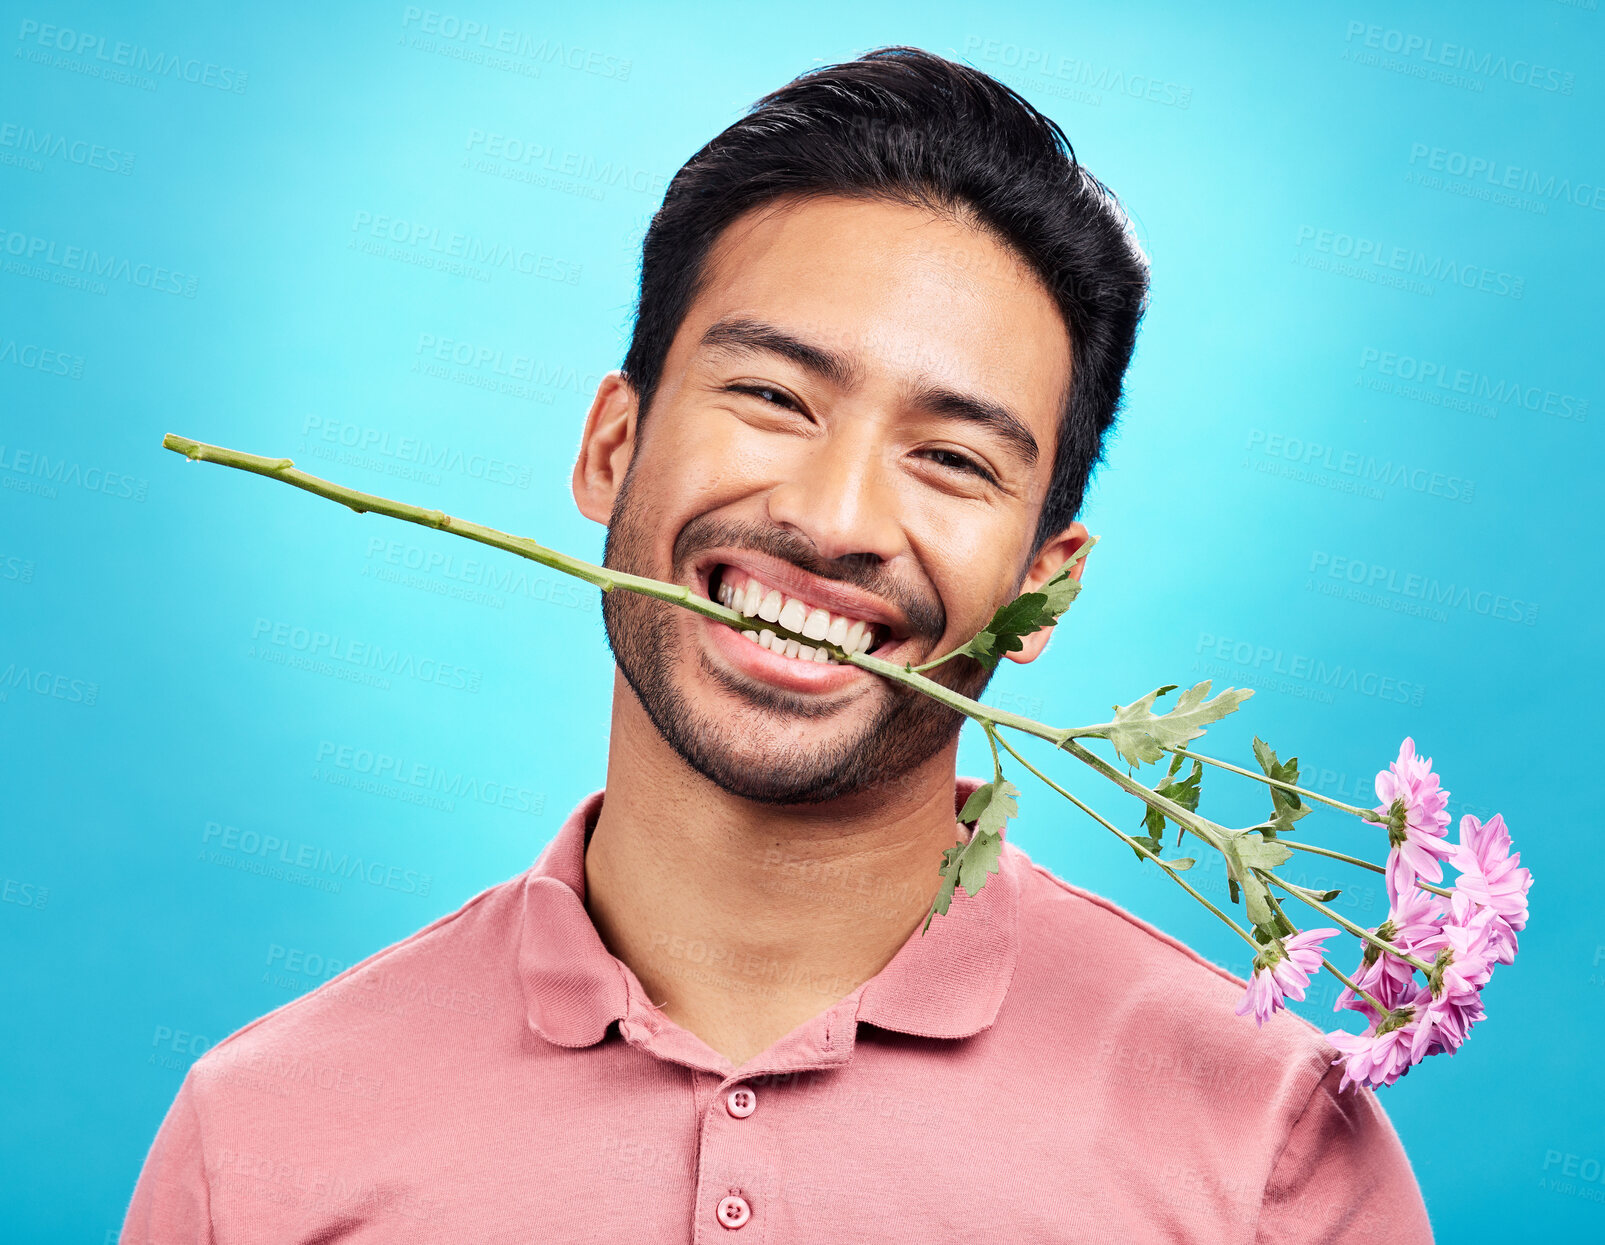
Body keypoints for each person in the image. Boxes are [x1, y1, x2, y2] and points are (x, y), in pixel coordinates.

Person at [122, 45, 1433, 1243]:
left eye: (951, 457)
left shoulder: (1267, 1144)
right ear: (610, 445)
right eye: (768, 395)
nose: (831, 518)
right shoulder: (260, 1137)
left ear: (1046, 585)